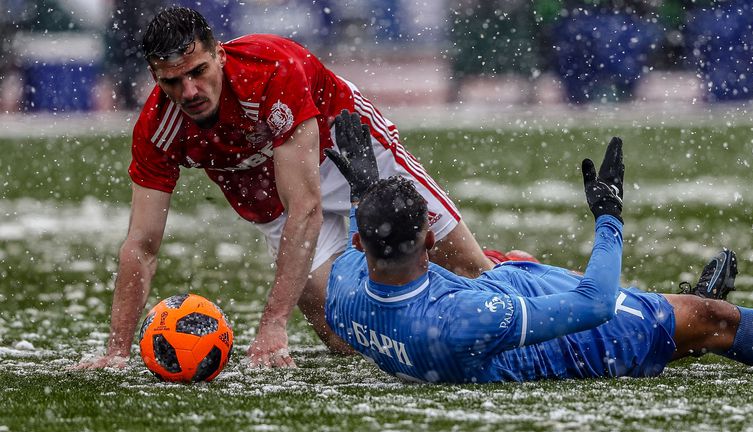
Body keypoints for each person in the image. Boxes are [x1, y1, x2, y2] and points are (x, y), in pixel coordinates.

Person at [323, 111, 753, 383]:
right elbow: (595, 304)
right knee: (713, 322)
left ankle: (675, 315)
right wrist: (608, 217)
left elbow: (370, 234)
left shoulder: (348, 290)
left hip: (489, 297)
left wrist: (362, 187)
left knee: (517, 263)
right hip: (556, 344)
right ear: (429, 240)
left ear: (360, 240)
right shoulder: (463, 321)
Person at [73, 6, 502, 370]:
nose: (189, 91)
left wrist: (273, 324)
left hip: (350, 153)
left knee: (470, 269)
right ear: (154, 76)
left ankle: (511, 272)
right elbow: (142, 244)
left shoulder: (272, 71)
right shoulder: (156, 129)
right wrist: (116, 351)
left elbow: (308, 207)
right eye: (172, 81)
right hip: (274, 202)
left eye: (198, 72)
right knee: (346, 336)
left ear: (219, 55)